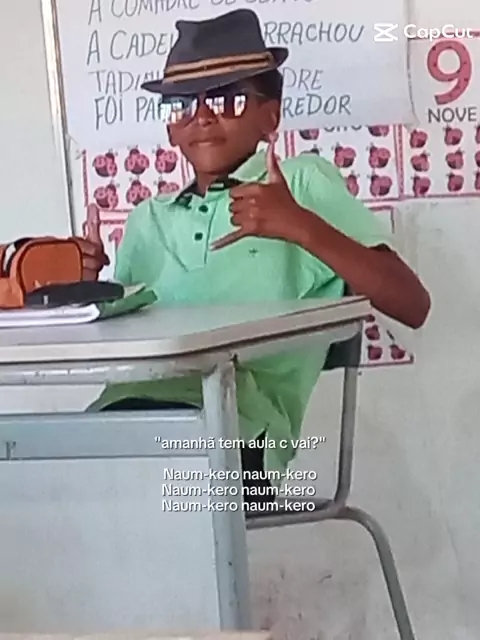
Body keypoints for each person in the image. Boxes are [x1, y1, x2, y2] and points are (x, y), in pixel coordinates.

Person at [77, 9, 430, 510]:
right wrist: (83, 295)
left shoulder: (301, 185)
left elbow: (412, 304)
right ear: (170, 129)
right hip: (125, 421)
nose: (202, 116)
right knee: (37, 473)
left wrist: (300, 225)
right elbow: (132, 351)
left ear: (271, 116)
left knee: (127, 499)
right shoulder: (146, 221)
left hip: (240, 438)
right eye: (182, 104)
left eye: (228, 99)